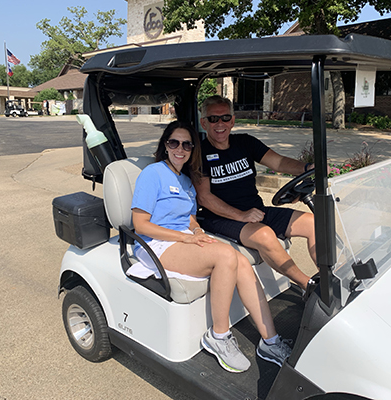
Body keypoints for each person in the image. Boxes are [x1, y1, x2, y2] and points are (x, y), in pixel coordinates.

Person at [131, 120, 292, 373]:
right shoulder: (153, 173)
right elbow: (140, 225)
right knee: (227, 255)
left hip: (183, 238)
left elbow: (189, 216)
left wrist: (195, 230)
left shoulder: (185, 180)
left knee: (239, 260)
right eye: (174, 143)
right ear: (165, 145)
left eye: (187, 144)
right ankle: (219, 336)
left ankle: (270, 341)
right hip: (157, 244)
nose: (180, 149)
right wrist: (185, 238)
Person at [196, 95, 317, 291]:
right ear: (204, 122)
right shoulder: (199, 153)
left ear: (233, 121)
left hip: (255, 211)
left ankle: (332, 278)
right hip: (219, 218)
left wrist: (307, 167)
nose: (220, 123)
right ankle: (310, 286)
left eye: (225, 118)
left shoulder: (245, 143)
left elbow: (278, 162)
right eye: (213, 119)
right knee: (265, 235)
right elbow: (204, 197)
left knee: (313, 223)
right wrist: (241, 215)